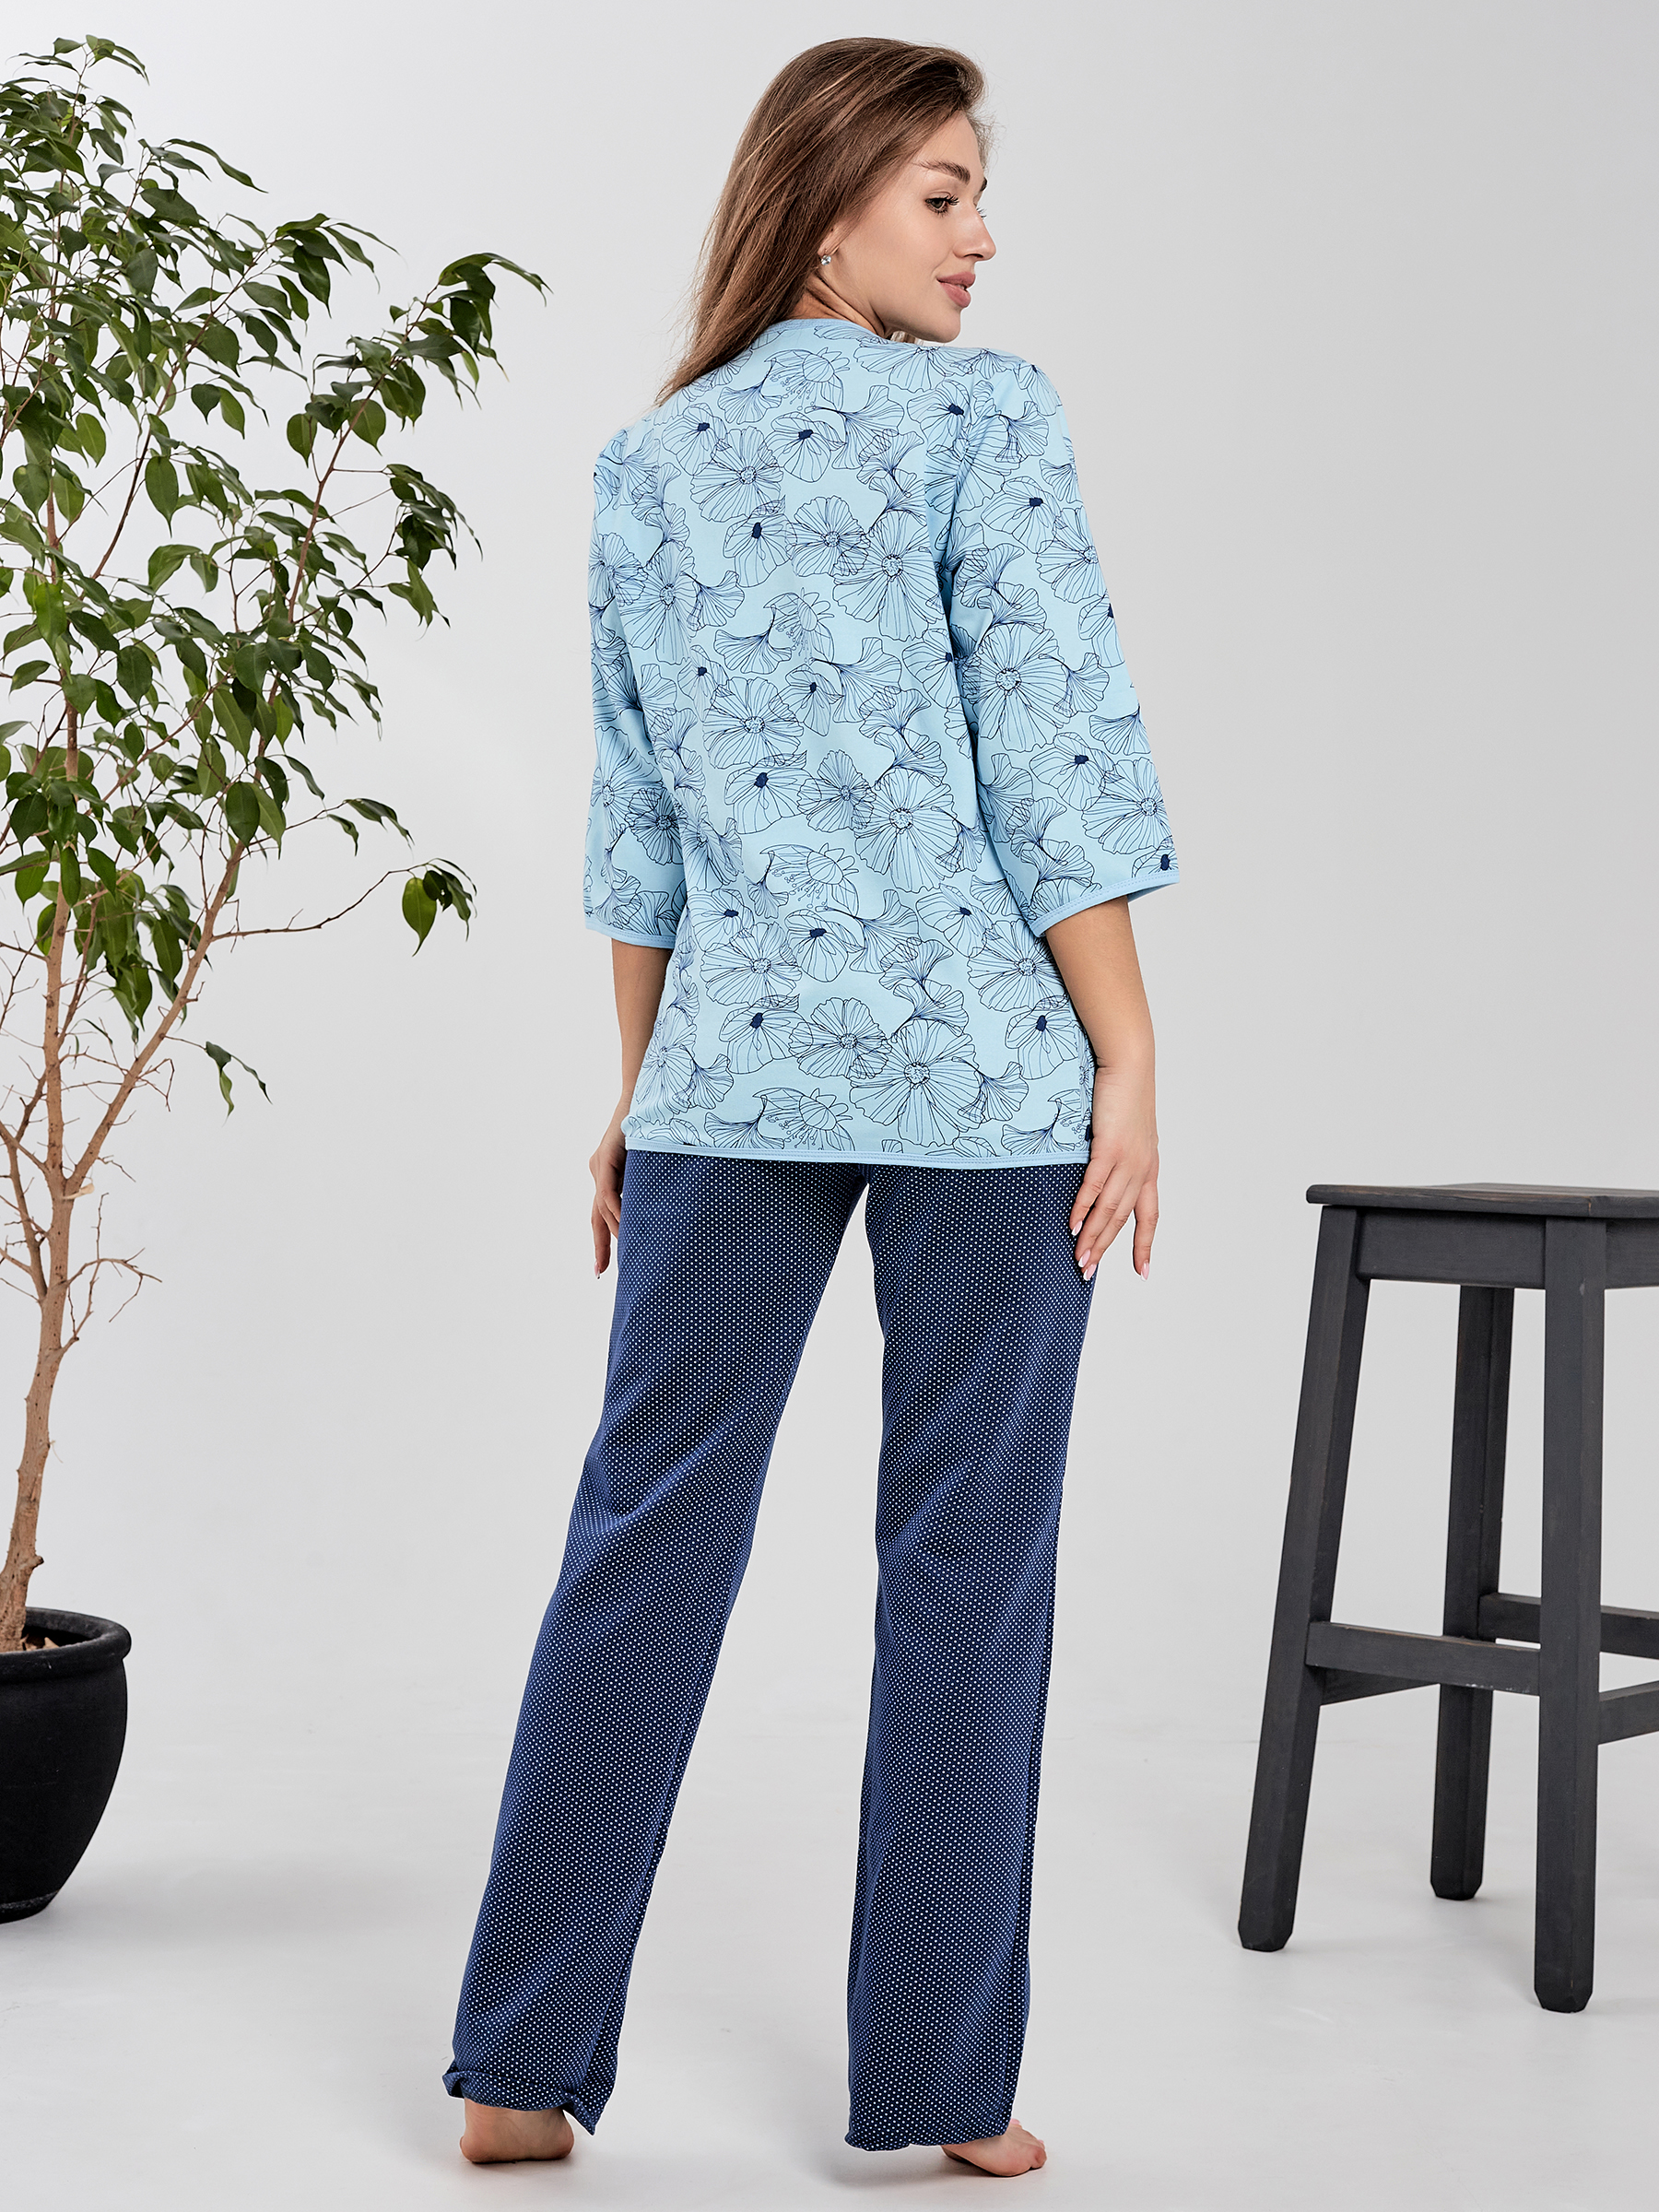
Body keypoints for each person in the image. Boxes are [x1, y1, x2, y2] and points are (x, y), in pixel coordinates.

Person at [444, 35, 1178, 2179]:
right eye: (944, 194)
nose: (982, 238)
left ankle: (516, 2068)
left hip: (727, 1079)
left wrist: (637, 1085)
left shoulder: (648, 459)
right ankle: (944, 2091)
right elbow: (1053, 746)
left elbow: (641, 823)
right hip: (989, 1089)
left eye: (978, 195)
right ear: (831, 194)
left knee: (642, 1538)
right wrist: (1132, 1054)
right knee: (968, 1569)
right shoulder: (985, 416)